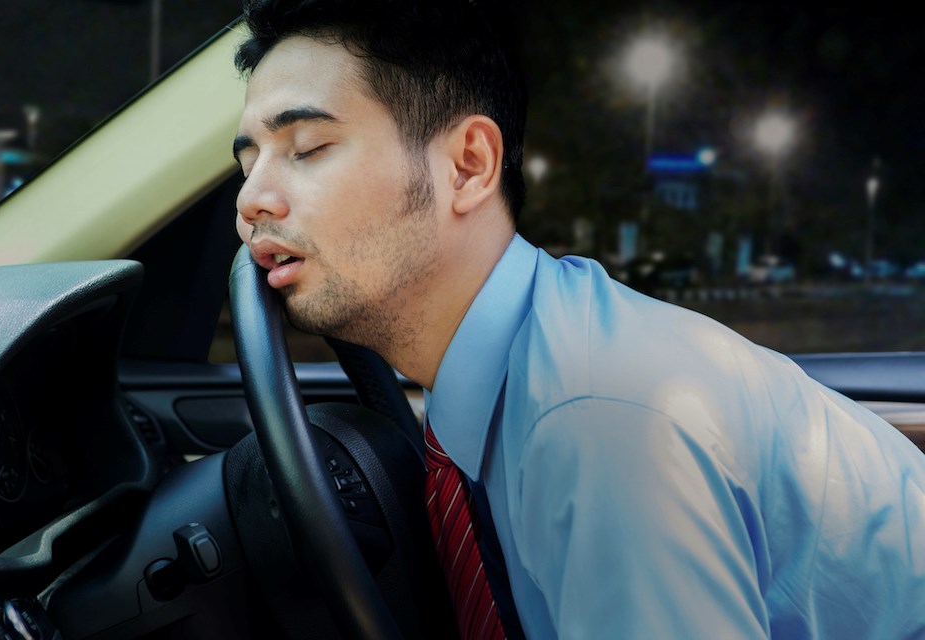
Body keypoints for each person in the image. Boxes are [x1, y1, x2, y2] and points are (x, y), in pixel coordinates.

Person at [231, 0, 925, 637]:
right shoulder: (502, 370)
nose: (253, 198)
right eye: (248, 161)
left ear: (468, 166)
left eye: (308, 149)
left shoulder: (598, 419)